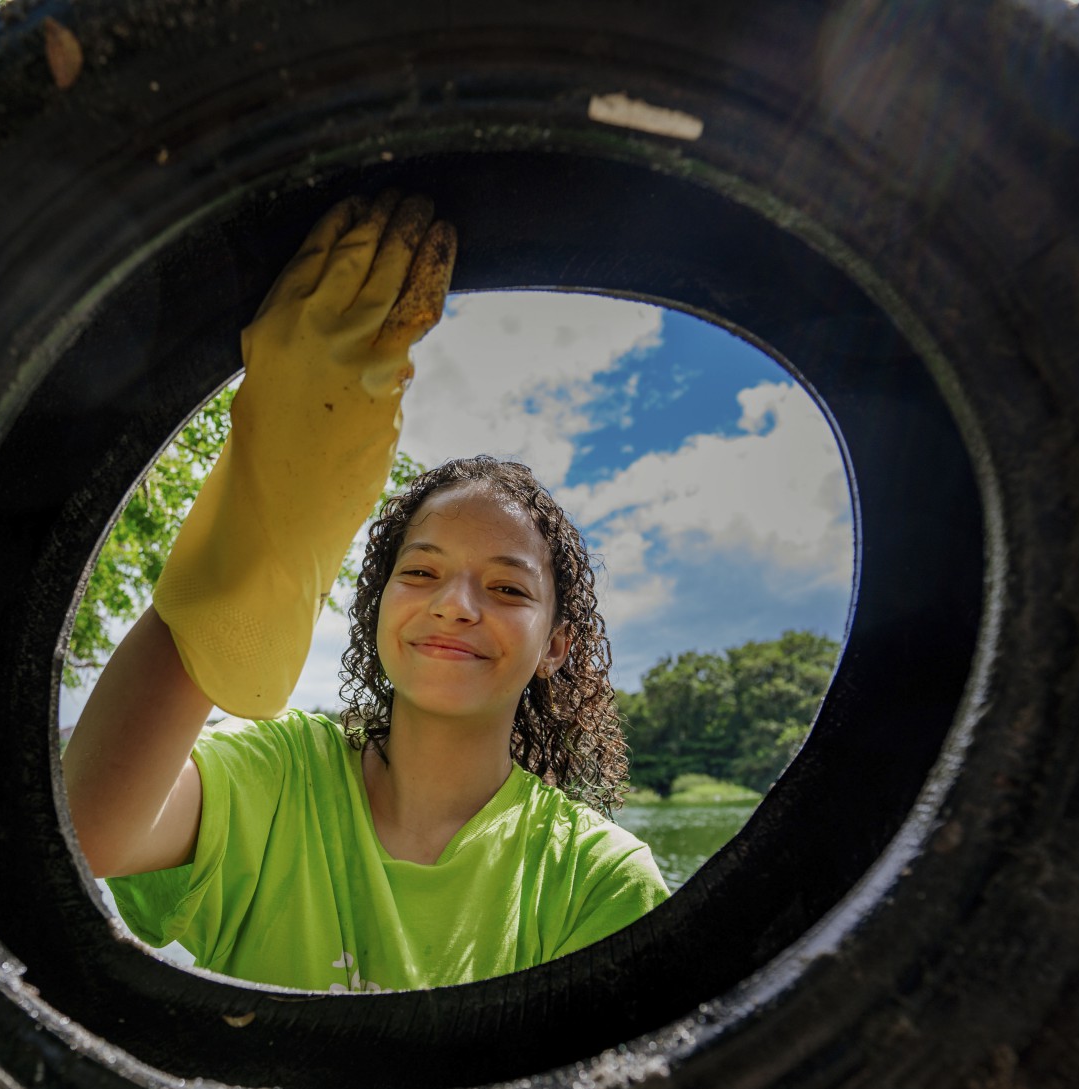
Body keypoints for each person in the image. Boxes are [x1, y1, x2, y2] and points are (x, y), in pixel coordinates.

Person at [59, 192, 668, 992]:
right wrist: (262, 533)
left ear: (557, 645)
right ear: (377, 611)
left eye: (508, 587)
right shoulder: (282, 775)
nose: (455, 603)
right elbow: (86, 832)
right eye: (418, 573)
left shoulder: (600, 879)